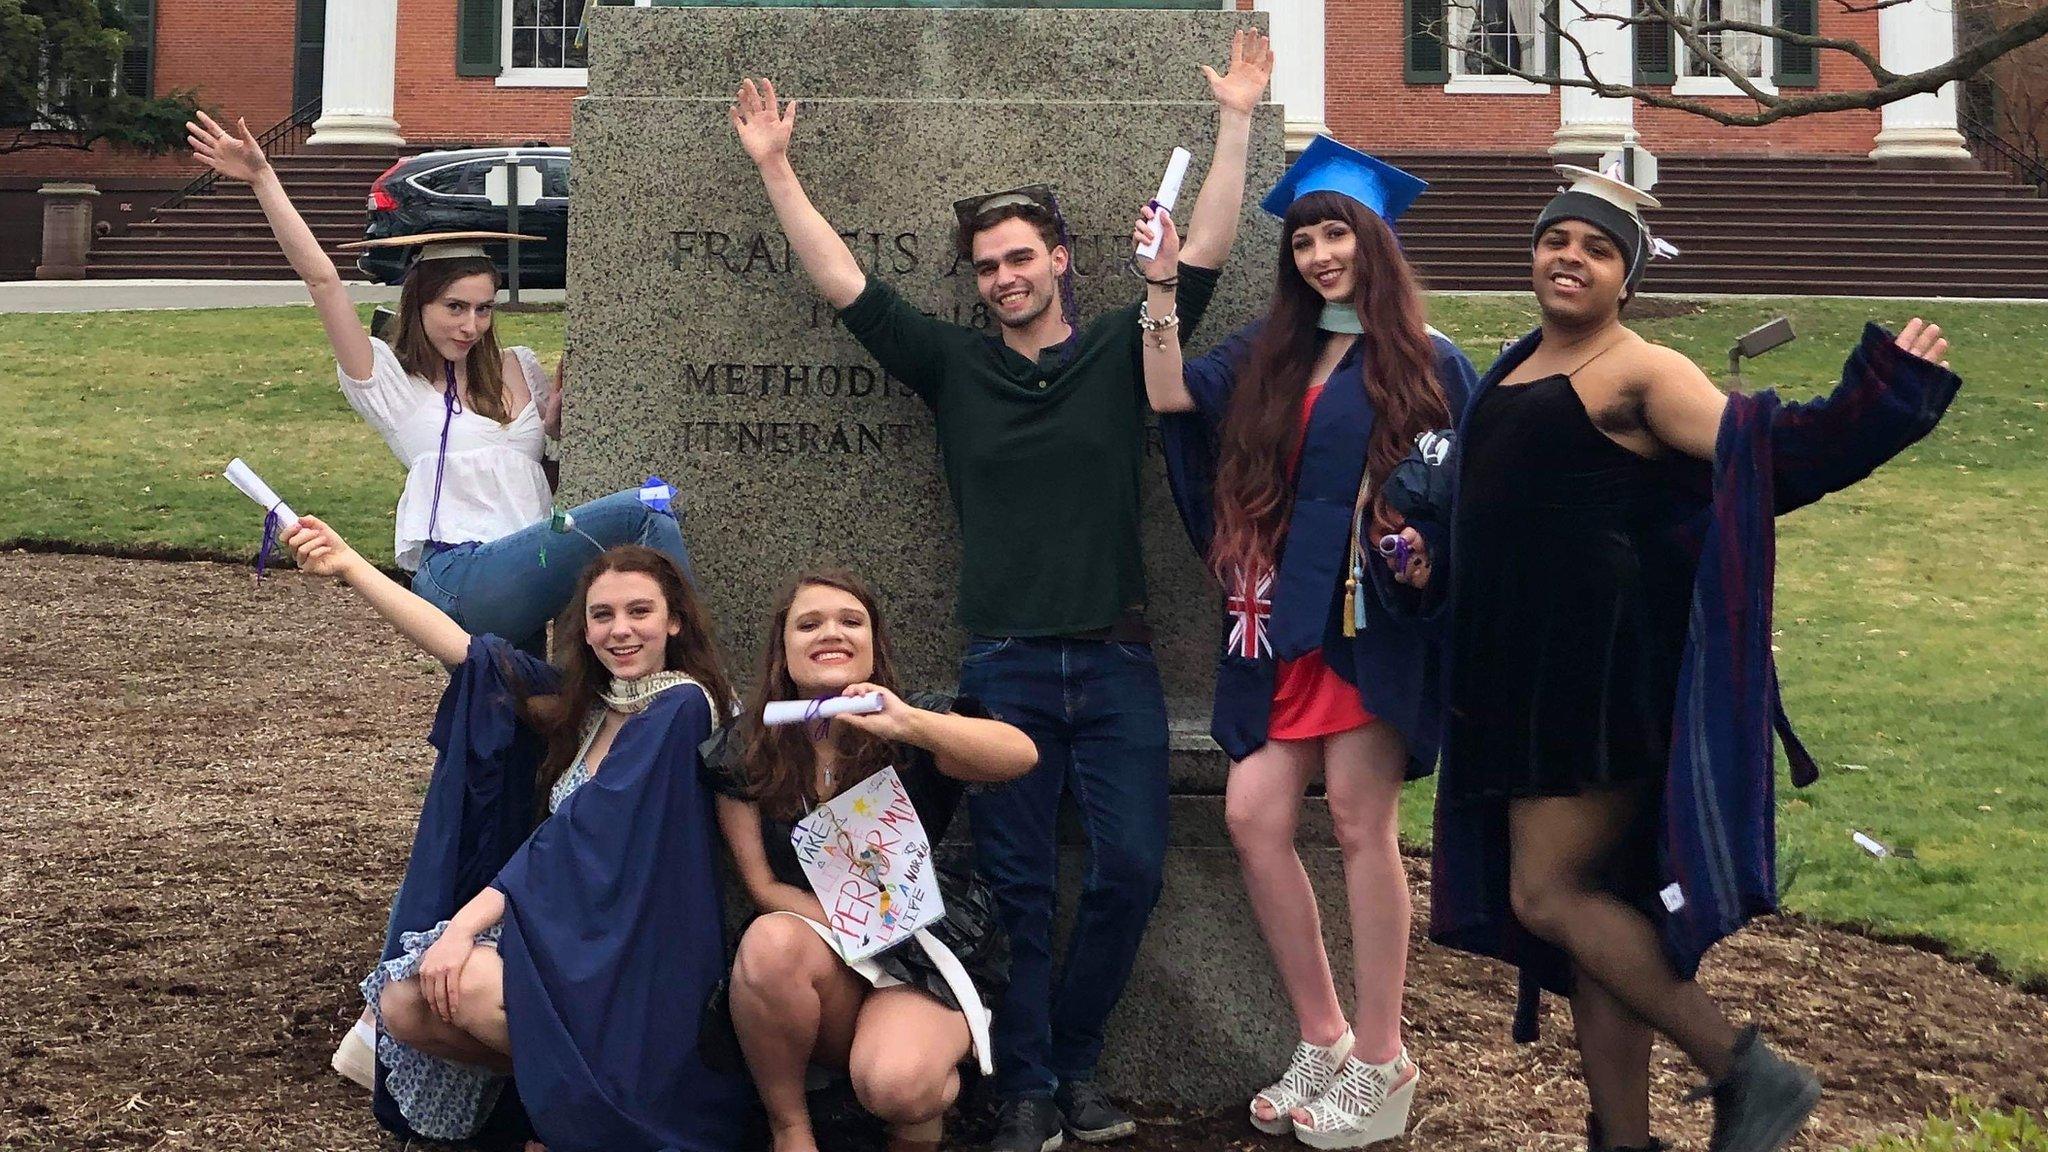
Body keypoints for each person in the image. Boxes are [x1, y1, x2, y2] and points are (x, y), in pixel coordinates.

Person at [727, 30, 1273, 1152]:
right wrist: (776, 166)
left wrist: (1236, 121)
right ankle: (1025, 1088)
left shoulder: (1129, 346)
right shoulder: (952, 365)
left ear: (1063, 258)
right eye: (985, 265)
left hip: (1115, 658)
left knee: (1126, 872)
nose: (1003, 277)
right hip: (1002, 666)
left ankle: (1072, 1065)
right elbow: (846, 285)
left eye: (1020, 257)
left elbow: (1206, 251)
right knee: (1020, 890)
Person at [1391, 166, 1961, 1152]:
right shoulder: (1516, 365)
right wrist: (1433, 561)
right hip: (1519, 686)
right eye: (1555, 240)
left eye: (1597, 249)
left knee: (1547, 895)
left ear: (1627, 279)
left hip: (1597, 686)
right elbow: (1518, 517)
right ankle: (1622, 1138)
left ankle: (1748, 1071)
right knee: (1596, 922)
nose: (1569, 257)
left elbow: (1766, 455)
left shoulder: (1638, 371)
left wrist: (1884, 399)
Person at [186, 109, 697, 1087]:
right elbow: (325, 281)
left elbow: (548, 469)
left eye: (480, 306)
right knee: (649, 507)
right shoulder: (388, 386)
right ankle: (683, 692)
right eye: (452, 306)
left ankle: (375, 1030)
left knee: (481, 802)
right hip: (460, 580)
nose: (468, 322)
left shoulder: (517, 375)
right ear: (420, 303)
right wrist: (261, 180)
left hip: (525, 601)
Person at [1141, 138, 1477, 1148]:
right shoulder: (1272, 351)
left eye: (1336, 233)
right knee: (1251, 816)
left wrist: (1423, 550)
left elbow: (1461, 493)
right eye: (1304, 240)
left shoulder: (1426, 358)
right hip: (1274, 622)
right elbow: (1166, 397)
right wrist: (1159, 284)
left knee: (1362, 828)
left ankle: (1383, 1057)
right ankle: (1322, 1036)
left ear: (1371, 240)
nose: (1320, 254)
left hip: (1366, 627)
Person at [284, 516, 753, 1151]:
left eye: (639, 611)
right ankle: (584, 1112)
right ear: (583, 631)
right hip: (566, 934)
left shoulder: (683, 708)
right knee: (405, 1006)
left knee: (461, 984)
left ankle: (599, 1124)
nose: (621, 629)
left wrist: (463, 926)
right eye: (602, 615)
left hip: (633, 952)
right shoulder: (591, 708)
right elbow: (468, 653)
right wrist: (351, 565)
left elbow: (581, 834)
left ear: (674, 622)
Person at [700, 571, 1038, 1152]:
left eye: (850, 621)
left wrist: (906, 722)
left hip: (926, 942)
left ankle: (918, 1119)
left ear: (874, 644)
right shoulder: (746, 747)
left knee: (897, 1084)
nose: (831, 633)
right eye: (809, 624)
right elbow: (760, 885)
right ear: (783, 650)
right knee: (767, 941)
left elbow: (1019, 755)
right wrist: (859, 927)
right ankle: (791, 1130)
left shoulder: (914, 724)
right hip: (822, 942)